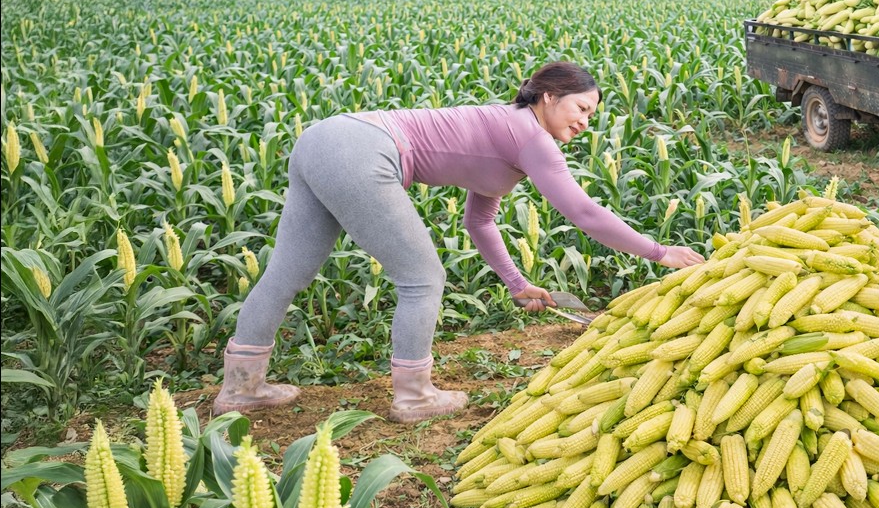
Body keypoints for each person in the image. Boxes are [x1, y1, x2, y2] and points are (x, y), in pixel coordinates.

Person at [213, 62, 705, 422]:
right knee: (422, 278)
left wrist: (516, 283)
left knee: (287, 273)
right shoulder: (530, 136)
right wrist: (660, 253)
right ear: (549, 97)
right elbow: (582, 212)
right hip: (363, 150)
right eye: (581, 107)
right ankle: (414, 397)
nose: (585, 121)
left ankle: (241, 389)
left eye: (593, 115)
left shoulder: (505, 134)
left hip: (326, 140)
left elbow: (480, 221)